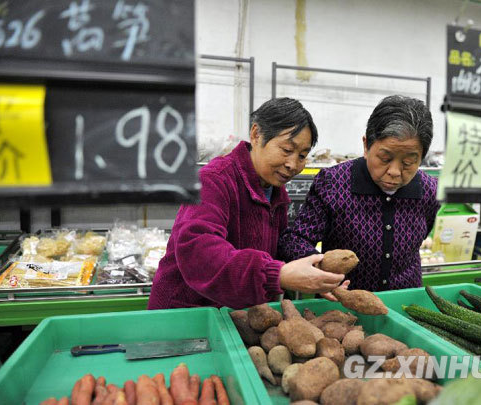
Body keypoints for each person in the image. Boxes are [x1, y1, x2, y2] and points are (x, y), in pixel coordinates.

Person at [148, 98, 345, 310]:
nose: (292, 164)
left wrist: (315, 272)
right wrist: (275, 274)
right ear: (256, 134)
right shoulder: (214, 180)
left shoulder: (275, 191)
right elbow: (199, 250)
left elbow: (275, 249)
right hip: (187, 315)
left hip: (234, 315)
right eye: (287, 150)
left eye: (302, 155)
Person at [278, 95, 440, 291]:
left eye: (408, 162)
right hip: (342, 306)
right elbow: (296, 239)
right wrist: (320, 267)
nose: (395, 172)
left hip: (404, 303)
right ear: (366, 145)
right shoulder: (333, 183)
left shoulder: (430, 191)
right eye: (385, 158)